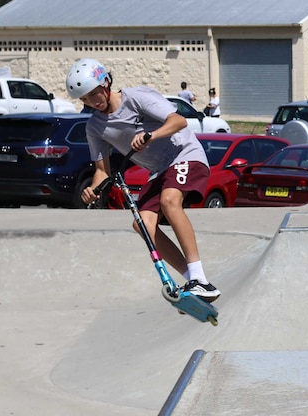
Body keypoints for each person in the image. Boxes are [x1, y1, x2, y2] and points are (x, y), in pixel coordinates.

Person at [66, 58, 220, 302]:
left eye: (95, 93)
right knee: (142, 225)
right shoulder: (94, 127)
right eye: (85, 99)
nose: (93, 102)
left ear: (106, 83)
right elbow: (102, 170)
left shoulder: (136, 98)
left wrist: (151, 135)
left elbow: (179, 120)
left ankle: (200, 278)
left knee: (170, 201)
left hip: (185, 154)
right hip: (159, 170)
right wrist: (92, 189)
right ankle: (193, 279)